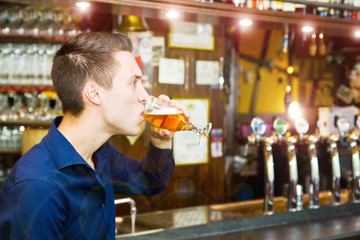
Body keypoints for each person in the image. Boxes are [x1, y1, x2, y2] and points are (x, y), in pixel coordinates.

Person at [0, 32, 188, 240]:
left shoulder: (99, 153)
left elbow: (149, 181)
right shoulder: (37, 188)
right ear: (94, 94)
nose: (145, 96)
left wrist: (161, 139)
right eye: (134, 82)